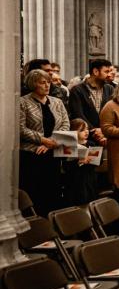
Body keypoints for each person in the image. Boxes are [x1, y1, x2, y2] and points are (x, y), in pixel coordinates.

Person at [19, 69, 70, 215]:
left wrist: (51, 142)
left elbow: (65, 124)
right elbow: (20, 129)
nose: (47, 85)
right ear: (33, 84)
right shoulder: (23, 102)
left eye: (48, 82)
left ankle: (53, 228)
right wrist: (42, 140)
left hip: (52, 152)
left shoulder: (57, 102)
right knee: (35, 193)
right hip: (32, 154)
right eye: (43, 82)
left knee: (53, 192)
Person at [68, 58, 115, 148]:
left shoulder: (109, 89)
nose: (109, 75)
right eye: (106, 71)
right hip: (85, 139)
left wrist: (104, 131)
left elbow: (112, 112)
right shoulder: (77, 90)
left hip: (105, 137)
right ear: (96, 71)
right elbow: (78, 114)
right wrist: (94, 131)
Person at [61, 119, 99, 207]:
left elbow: (98, 162)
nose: (86, 132)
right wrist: (78, 162)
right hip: (75, 180)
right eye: (82, 130)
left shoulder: (91, 144)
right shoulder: (68, 146)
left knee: (91, 203)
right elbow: (65, 166)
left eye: (87, 129)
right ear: (73, 132)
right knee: (78, 203)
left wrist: (92, 159)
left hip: (89, 179)